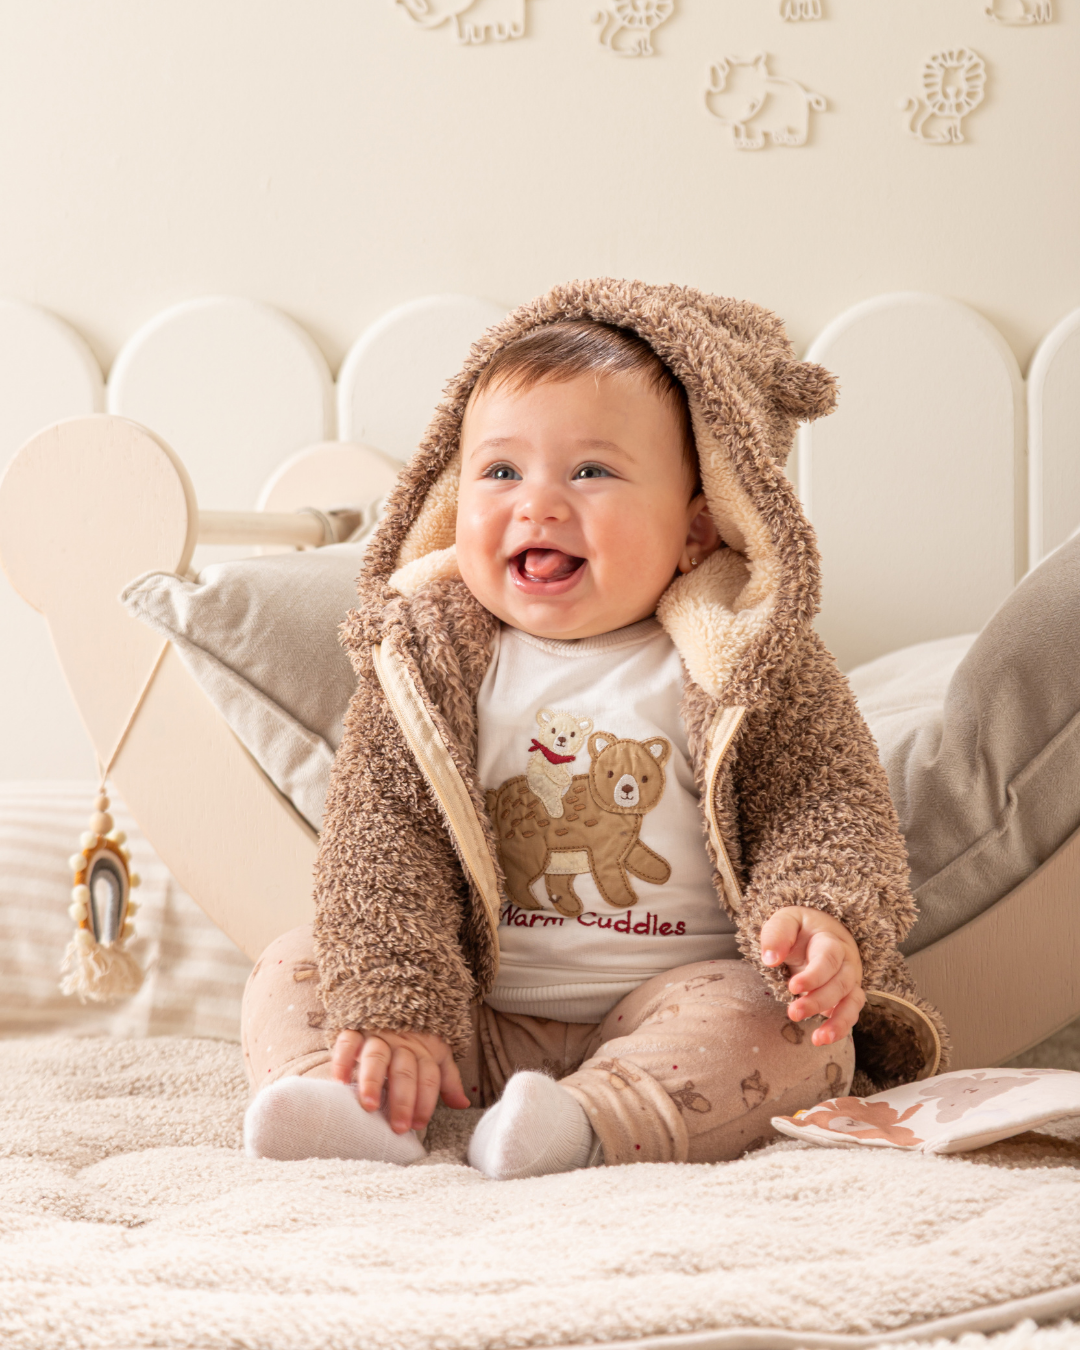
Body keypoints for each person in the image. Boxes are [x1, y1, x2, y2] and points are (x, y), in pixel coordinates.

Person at [241, 280, 946, 1177]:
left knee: (794, 1031)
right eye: (501, 472)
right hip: (468, 1019)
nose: (536, 504)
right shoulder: (427, 661)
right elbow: (380, 844)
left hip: (674, 1007)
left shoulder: (739, 660)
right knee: (294, 965)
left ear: (698, 528)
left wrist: (821, 914)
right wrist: (397, 1007)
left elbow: (828, 804)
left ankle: (585, 1122)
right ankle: (353, 1104)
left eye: (591, 472)